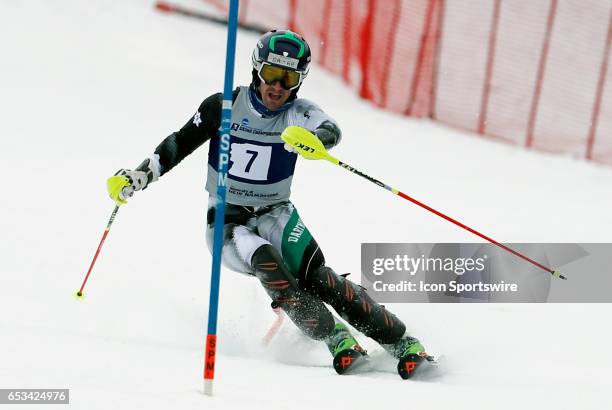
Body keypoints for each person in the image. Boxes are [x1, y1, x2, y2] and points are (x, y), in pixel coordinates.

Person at [107, 29, 426, 377]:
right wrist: (138, 176)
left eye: (288, 79)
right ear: (257, 70)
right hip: (228, 222)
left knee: (318, 276)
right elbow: (179, 143)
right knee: (267, 261)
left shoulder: (298, 113)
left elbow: (329, 128)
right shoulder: (224, 106)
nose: (277, 86)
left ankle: (401, 341)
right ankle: (335, 337)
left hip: (276, 212)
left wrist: (316, 141)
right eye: (271, 75)